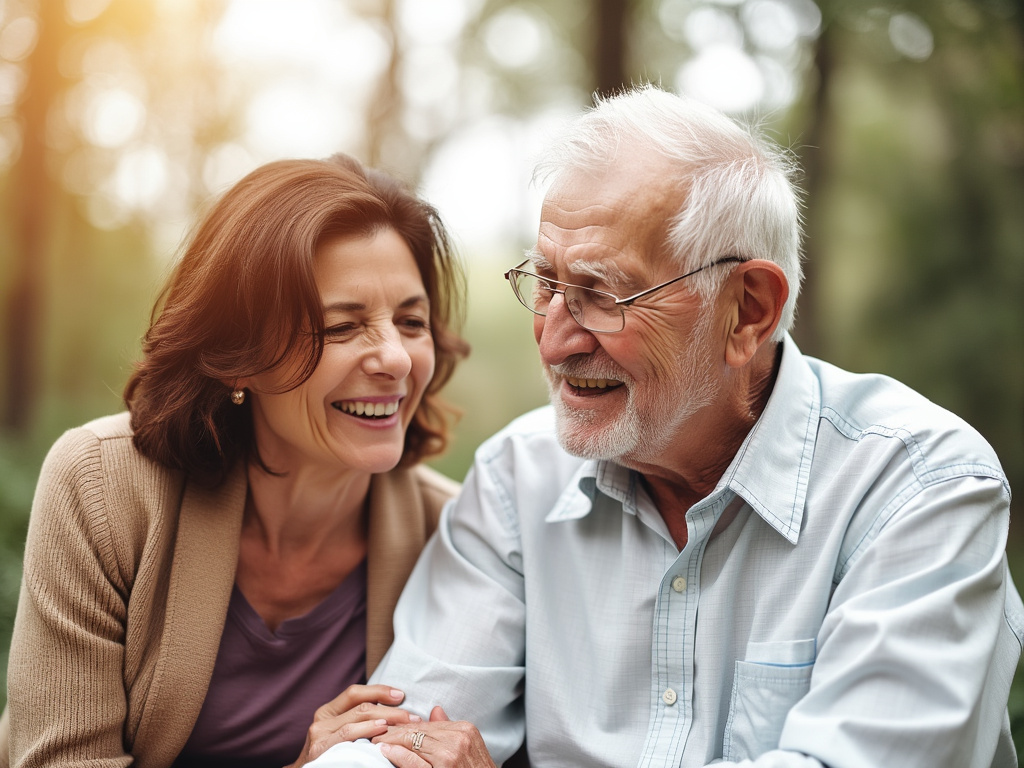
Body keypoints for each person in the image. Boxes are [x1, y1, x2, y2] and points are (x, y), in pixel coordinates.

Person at [308, 85, 1023, 768]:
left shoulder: (918, 486)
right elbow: (404, 737)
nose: (555, 340)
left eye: (601, 293)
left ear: (747, 311)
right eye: (547, 284)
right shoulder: (515, 483)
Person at [2, 154, 470, 768]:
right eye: (341, 327)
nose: (398, 359)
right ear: (239, 354)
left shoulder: (458, 535)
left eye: (411, 321)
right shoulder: (99, 487)